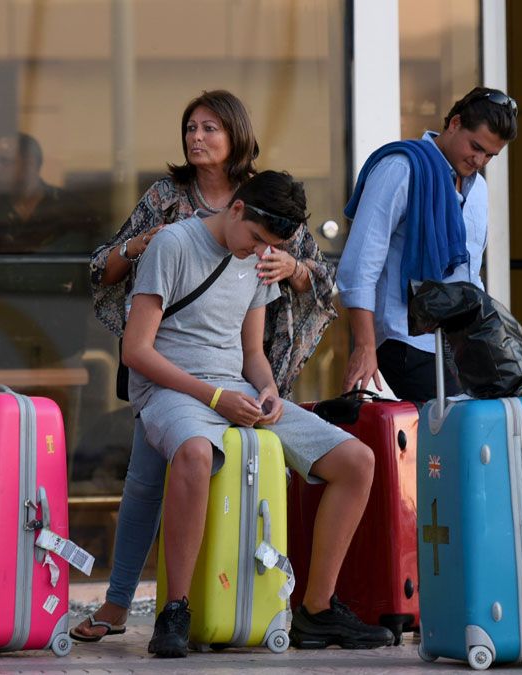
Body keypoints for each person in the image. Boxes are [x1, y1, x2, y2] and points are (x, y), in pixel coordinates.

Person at [76, 90, 337, 641]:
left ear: (235, 136)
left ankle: (270, 604)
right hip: (167, 367)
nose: (197, 137)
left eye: (210, 128)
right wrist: (142, 245)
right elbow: (104, 266)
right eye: (191, 127)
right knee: (148, 480)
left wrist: (291, 266)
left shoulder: (267, 202)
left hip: (241, 369)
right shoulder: (168, 199)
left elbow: (316, 278)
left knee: (167, 477)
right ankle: (145, 606)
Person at [121, 170, 392, 657]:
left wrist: (267, 390)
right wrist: (213, 398)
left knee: (358, 461)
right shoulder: (173, 245)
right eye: (256, 239)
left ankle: (316, 608)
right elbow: (136, 351)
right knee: (196, 454)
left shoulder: (259, 258)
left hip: (237, 390)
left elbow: (252, 353)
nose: (257, 252)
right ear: (238, 209)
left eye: (270, 246)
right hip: (169, 389)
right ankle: (175, 609)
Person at [337, 87, 518, 401]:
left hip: (456, 345)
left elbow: (469, 274)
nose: (479, 159)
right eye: (476, 147)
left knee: (481, 430)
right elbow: (359, 264)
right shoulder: (401, 168)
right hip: (402, 338)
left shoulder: (478, 189)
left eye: (490, 155)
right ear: (455, 123)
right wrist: (364, 346)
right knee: (452, 432)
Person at [0, 132, 98, 368]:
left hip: (61, 337)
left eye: (4, 161)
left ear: (29, 164)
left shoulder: (69, 209)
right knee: (6, 404)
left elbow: (90, 273)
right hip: (5, 338)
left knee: (58, 403)